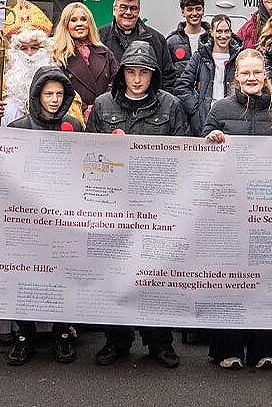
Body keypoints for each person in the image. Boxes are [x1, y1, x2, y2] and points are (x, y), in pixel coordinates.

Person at [85, 40, 190, 367]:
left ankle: (159, 341)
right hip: (115, 205)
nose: (137, 79)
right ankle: (117, 339)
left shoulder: (170, 106)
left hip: (156, 206)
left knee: (153, 276)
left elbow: (184, 154)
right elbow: (89, 156)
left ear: (153, 75)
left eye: (144, 73)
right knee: (116, 274)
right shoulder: (103, 106)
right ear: (123, 74)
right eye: (131, 72)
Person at [202, 49, 272, 369]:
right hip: (230, 206)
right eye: (246, 73)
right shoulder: (220, 109)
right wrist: (211, 138)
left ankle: (263, 349)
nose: (252, 77)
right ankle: (226, 348)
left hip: (269, 207)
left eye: (257, 72)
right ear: (236, 77)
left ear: (265, 75)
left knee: (265, 278)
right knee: (230, 276)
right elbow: (203, 151)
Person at [2, 66, 84, 365]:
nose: (53, 99)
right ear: (37, 95)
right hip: (28, 217)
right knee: (25, 276)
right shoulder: (18, 128)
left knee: (64, 275)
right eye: (48, 93)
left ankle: (63, 333)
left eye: (59, 94)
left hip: (64, 216)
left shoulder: (73, 126)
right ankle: (25, 334)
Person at [173, 14, 243, 135]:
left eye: (227, 31)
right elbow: (181, 86)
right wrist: (196, 109)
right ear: (212, 33)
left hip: (233, 116)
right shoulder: (200, 56)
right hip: (205, 116)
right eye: (219, 31)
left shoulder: (240, 56)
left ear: (231, 33)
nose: (223, 36)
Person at [98, 0, 177, 85]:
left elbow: (168, 76)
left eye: (133, 8)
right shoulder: (99, 38)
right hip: (110, 98)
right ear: (114, 10)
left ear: (139, 11)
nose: (128, 12)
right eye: (123, 7)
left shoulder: (157, 40)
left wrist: (161, 99)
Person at [53, 2, 118, 121]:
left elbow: (117, 82)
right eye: (73, 20)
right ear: (66, 24)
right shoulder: (57, 54)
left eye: (83, 19)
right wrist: (83, 109)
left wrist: (99, 105)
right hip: (72, 118)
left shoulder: (105, 52)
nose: (79, 24)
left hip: (104, 115)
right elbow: (58, 88)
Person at [165, 0, 210, 75]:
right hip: (180, 87)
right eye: (190, 10)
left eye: (198, 9)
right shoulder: (171, 42)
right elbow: (166, 73)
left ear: (203, 11)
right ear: (183, 13)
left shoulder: (212, 39)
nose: (194, 13)